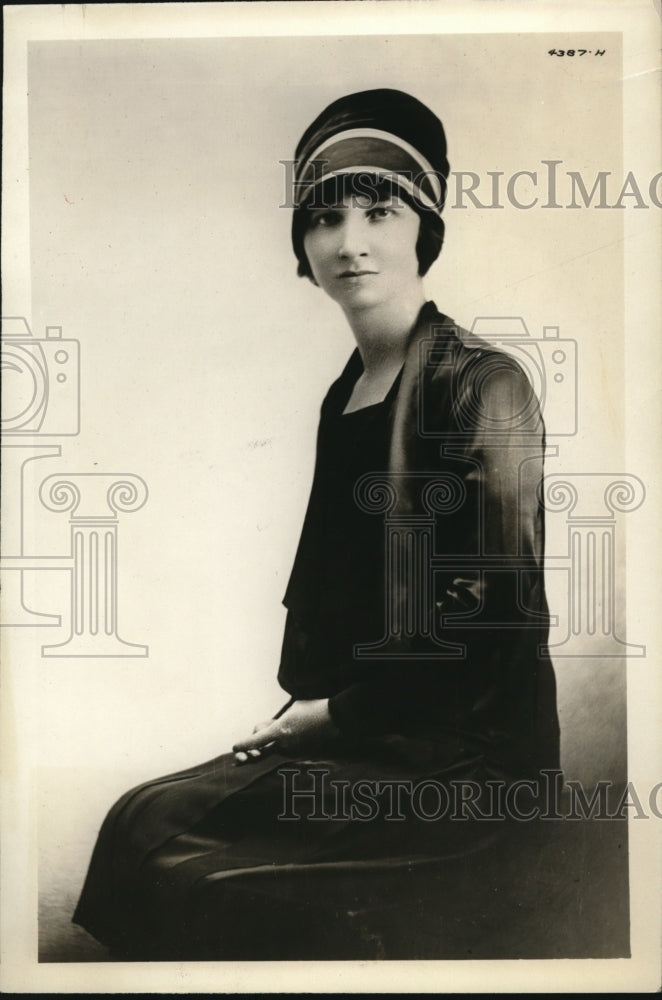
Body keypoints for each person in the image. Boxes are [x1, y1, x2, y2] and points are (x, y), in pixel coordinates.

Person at [72, 89, 560, 961]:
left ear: (424, 229)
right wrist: (314, 714)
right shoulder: (347, 394)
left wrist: (333, 719)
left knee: (197, 880)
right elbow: (339, 592)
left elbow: (492, 618)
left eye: (381, 210)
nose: (351, 241)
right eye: (325, 217)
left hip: (464, 758)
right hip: (368, 730)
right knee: (140, 821)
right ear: (302, 243)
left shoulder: (483, 385)